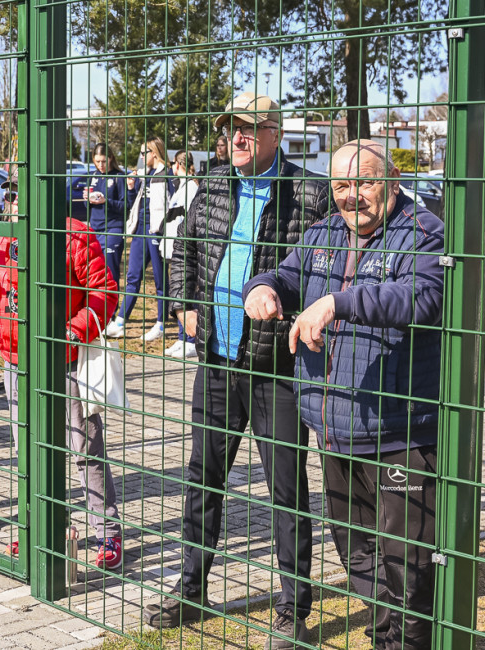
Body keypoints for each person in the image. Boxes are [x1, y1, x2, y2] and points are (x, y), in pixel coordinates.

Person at [243, 140, 444, 650]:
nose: (351, 195)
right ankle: (384, 637)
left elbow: (421, 297)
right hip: (334, 428)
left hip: (400, 432)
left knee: (408, 563)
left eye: (364, 182)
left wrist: (338, 302)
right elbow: (285, 275)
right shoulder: (323, 233)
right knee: (357, 554)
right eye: (340, 185)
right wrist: (263, 287)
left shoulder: (423, 232)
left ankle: (410, 643)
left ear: (392, 182)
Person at [153, 92, 330, 648]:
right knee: (202, 477)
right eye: (231, 128)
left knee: (286, 490)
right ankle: (191, 587)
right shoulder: (212, 185)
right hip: (217, 361)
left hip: (278, 369)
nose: (237, 137)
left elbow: (326, 265)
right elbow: (183, 250)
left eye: (249, 128)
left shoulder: (309, 192)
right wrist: (183, 304)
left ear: (276, 133)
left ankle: (292, 610)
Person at [0, 179, 124, 568]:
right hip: (17, 360)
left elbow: (105, 291)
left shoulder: (75, 234)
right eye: (9, 195)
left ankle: (108, 532)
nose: (13, 201)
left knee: (84, 447)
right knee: (28, 450)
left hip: (65, 361)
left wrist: (74, 330)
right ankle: (40, 527)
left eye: (20, 193)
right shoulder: (3, 237)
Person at [106, 138, 175, 342]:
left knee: (160, 280)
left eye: (145, 153)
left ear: (155, 153)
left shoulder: (166, 174)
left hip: (157, 231)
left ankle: (160, 324)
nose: (142, 157)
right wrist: (130, 188)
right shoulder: (145, 174)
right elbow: (134, 202)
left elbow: (173, 204)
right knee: (133, 276)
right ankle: (119, 322)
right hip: (140, 230)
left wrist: (166, 229)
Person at [158, 151, 199, 358]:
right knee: (178, 293)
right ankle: (182, 338)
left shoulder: (191, 188)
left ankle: (191, 340)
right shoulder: (180, 187)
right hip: (173, 248)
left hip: (183, 248)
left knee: (187, 293)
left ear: (177, 164)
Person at [82, 142, 128, 281]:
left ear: (110, 158)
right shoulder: (93, 176)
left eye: (103, 161)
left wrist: (106, 201)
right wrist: (87, 199)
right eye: (97, 161)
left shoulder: (119, 176)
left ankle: (113, 295)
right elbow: (87, 206)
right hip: (95, 229)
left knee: (110, 272)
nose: (100, 165)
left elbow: (126, 206)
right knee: (95, 272)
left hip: (113, 229)